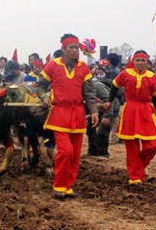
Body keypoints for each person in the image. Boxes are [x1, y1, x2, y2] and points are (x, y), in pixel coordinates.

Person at [37, 33, 99, 199]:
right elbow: (40, 86)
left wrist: (94, 111)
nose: (75, 51)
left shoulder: (84, 68)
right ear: (63, 49)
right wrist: (43, 97)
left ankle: (68, 186)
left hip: (78, 114)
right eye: (71, 47)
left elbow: (89, 93)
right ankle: (58, 185)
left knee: (76, 152)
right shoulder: (52, 66)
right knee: (66, 151)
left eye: (77, 48)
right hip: (59, 113)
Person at [104, 50, 156, 185]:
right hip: (130, 111)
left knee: (152, 145)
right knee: (132, 147)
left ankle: (138, 167)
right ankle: (135, 177)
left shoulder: (152, 77)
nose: (140, 63)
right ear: (133, 61)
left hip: (146, 111)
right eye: (137, 60)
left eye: (143, 60)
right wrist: (110, 101)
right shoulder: (125, 74)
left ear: (147, 63)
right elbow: (114, 86)